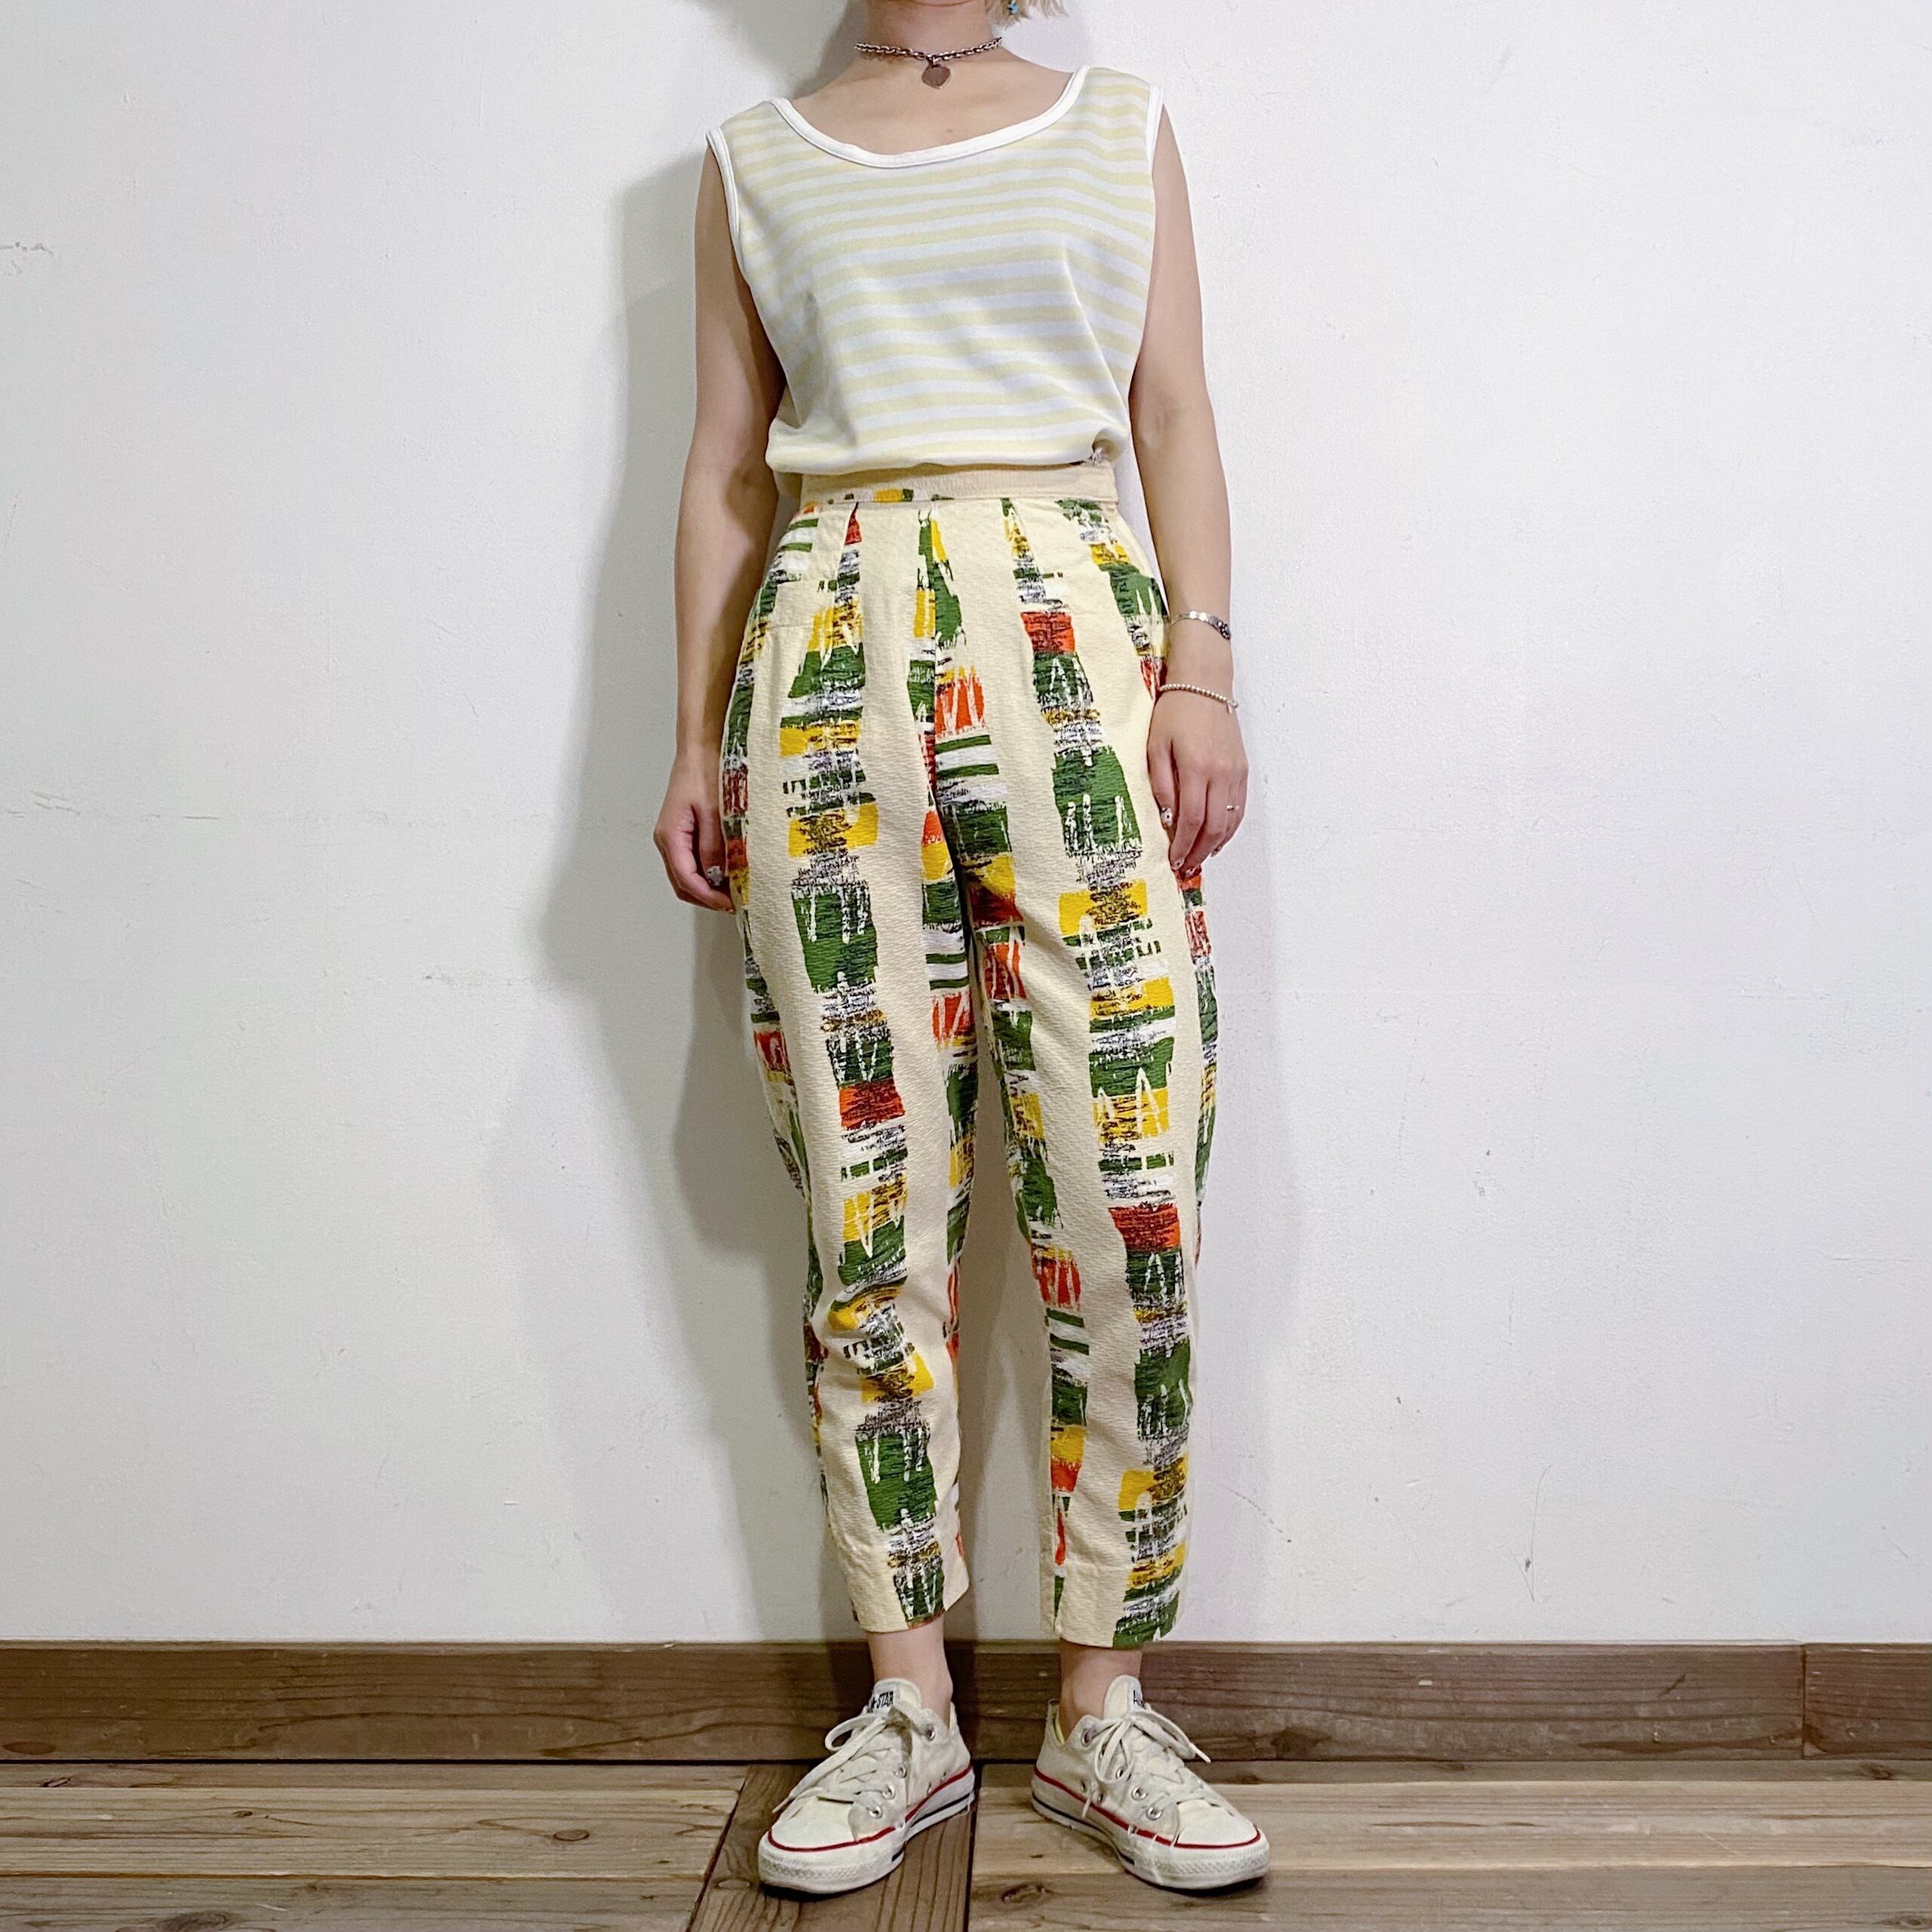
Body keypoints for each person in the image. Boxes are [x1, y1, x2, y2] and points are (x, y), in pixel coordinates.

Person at [656, 0, 1265, 1896]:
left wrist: (1204, 670)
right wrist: (691, 739)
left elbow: (1172, 409)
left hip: (1076, 619)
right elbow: (726, 466)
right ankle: (908, 1704)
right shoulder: (754, 160)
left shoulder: (1117, 124)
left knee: (1128, 1190)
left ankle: (1102, 1708)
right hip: (828, 641)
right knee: (870, 1209)